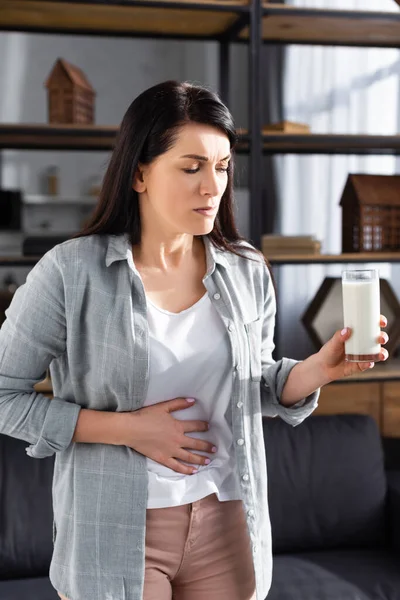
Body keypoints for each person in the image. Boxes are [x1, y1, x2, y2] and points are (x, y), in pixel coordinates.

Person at [0, 80, 389, 600]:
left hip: (228, 523)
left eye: (223, 166)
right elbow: (4, 395)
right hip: (115, 530)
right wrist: (130, 430)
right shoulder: (72, 272)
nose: (214, 186)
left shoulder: (247, 271)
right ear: (139, 172)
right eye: (191, 167)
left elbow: (258, 384)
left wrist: (322, 368)